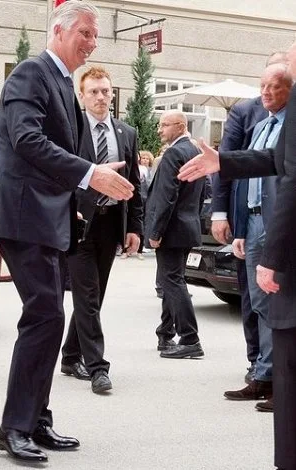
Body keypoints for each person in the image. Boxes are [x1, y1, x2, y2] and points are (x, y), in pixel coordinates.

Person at [0, 0, 134, 463]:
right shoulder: (31, 72)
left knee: (50, 317)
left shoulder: (65, 84)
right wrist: (90, 174)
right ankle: (15, 428)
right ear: (60, 31)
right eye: (85, 33)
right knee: (46, 315)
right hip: (22, 214)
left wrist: (91, 189)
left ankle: (35, 420)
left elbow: (64, 152)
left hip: (46, 217)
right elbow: (26, 140)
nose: (92, 42)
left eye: (95, 35)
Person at [178, 41, 296, 470]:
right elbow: (273, 159)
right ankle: (263, 375)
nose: (271, 84)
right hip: (261, 230)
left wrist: (273, 257)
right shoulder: (262, 118)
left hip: (283, 243)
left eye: (286, 67)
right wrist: (223, 163)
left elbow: (291, 182)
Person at [60, 65, 142, 395]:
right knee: (88, 295)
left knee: (95, 296)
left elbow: (135, 184)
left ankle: (69, 356)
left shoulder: (126, 133)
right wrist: (70, 207)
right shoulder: (71, 129)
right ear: (81, 95)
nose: (100, 97)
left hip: (110, 224)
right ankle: (97, 367)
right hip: (79, 223)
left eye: (105, 91)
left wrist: (134, 227)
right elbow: (61, 174)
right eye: (93, 91)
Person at [211, 51, 287, 386]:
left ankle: (278, 379)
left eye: (275, 86)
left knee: (277, 302)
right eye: (262, 86)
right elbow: (244, 180)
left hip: (278, 225)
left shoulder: (291, 129)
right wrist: (239, 227)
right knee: (257, 301)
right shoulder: (258, 125)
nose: (266, 92)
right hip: (253, 223)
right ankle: (264, 372)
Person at [145, 111, 204, 359]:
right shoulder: (196, 153)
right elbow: (202, 193)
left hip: (171, 229)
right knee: (173, 280)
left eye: (164, 125)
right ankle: (165, 334)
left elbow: (165, 196)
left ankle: (190, 338)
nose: (160, 130)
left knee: (172, 281)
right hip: (187, 226)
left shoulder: (174, 153)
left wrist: (155, 231)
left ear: (181, 126)